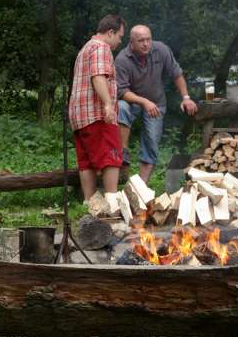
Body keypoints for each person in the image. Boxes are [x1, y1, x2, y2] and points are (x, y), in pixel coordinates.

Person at [116, 24, 198, 182]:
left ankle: (141, 187)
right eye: (141, 41)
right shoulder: (122, 59)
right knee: (121, 107)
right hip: (132, 101)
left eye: (148, 39)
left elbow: (177, 74)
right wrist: (144, 102)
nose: (146, 44)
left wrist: (186, 97)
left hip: (156, 102)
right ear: (131, 42)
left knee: (151, 142)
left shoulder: (161, 50)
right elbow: (122, 92)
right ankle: (123, 151)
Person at [68, 14, 125, 208]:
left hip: (79, 115)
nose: (120, 41)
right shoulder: (102, 48)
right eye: (119, 36)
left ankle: (91, 203)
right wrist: (108, 104)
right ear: (110, 32)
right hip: (97, 114)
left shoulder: (86, 48)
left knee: (87, 163)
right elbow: (98, 76)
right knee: (111, 156)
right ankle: (111, 201)